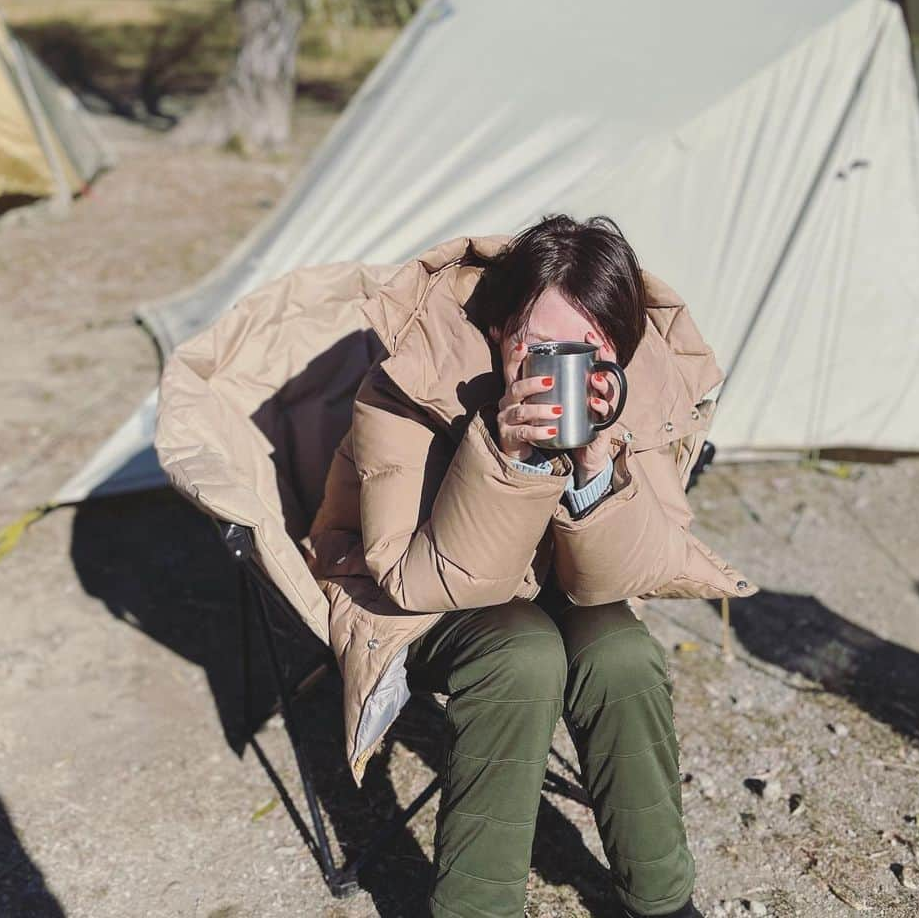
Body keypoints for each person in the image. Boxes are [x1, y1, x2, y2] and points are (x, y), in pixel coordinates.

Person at [307, 215, 756, 918]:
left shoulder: (630, 385)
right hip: (414, 600)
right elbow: (420, 581)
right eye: (542, 347)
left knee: (621, 655)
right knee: (522, 652)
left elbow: (627, 574)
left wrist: (594, 469)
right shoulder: (409, 382)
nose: (565, 367)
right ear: (498, 329)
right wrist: (506, 459)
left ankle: (661, 899)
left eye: (589, 346)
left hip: (543, 593)